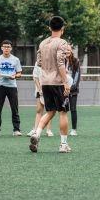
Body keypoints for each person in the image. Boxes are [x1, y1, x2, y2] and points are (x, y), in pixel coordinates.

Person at [28, 16, 71, 153]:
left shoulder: (42, 43)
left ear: (49, 28)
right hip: (58, 82)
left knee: (50, 111)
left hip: (45, 82)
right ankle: (63, 145)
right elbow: (60, 63)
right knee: (63, 112)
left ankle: (37, 134)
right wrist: (65, 82)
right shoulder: (62, 43)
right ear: (62, 28)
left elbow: (39, 62)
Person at [0, 40, 23, 137]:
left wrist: (15, 76)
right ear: (1, 48)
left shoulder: (16, 60)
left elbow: (19, 73)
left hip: (12, 86)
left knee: (14, 108)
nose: (6, 48)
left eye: (8, 47)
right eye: (4, 46)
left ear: (11, 48)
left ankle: (16, 129)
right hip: (0, 86)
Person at [27, 63, 54, 137]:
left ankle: (48, 130)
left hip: (50, 89)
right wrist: (39, 89)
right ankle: (35, 130)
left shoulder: (51, 61)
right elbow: (35, 77)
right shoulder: (37, 63)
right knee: (39, 110)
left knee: (49, 110)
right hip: (39, 90)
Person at [65, 44, 81, 136]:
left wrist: (71, 88)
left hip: (73, 90)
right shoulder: (60, 60)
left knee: (73, 109)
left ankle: (74, 129)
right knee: (63, 110)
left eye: (68, 50)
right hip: (62, 89)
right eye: (65, 50)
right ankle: (64, 128)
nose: (67, 51)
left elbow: (77, 76)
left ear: (71, 51)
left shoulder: (75, 61)